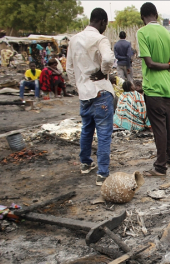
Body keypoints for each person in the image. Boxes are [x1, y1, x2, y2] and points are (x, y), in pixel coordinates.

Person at [66, 8, 115, 185]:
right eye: (105, 24)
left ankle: (85, 163)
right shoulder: (99, 38)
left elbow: (69, 69)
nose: (105, 28)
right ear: (102, 21)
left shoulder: (74, 39)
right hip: (101, 91)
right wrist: (104, 72)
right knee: (103, 133)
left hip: (84, 93)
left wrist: (78, 85)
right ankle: (102, 173)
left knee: (87, 128)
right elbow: (109, 58)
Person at [138, 2, 170, 177]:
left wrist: (165, 66)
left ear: (142, 16)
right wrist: (168, 69)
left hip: (153, 87)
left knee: (159, 127)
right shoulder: (166, 33)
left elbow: (149, 63)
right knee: (167, 124)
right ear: (156, 15)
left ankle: (160, 167)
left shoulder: (142, 33)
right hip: (166, 85)